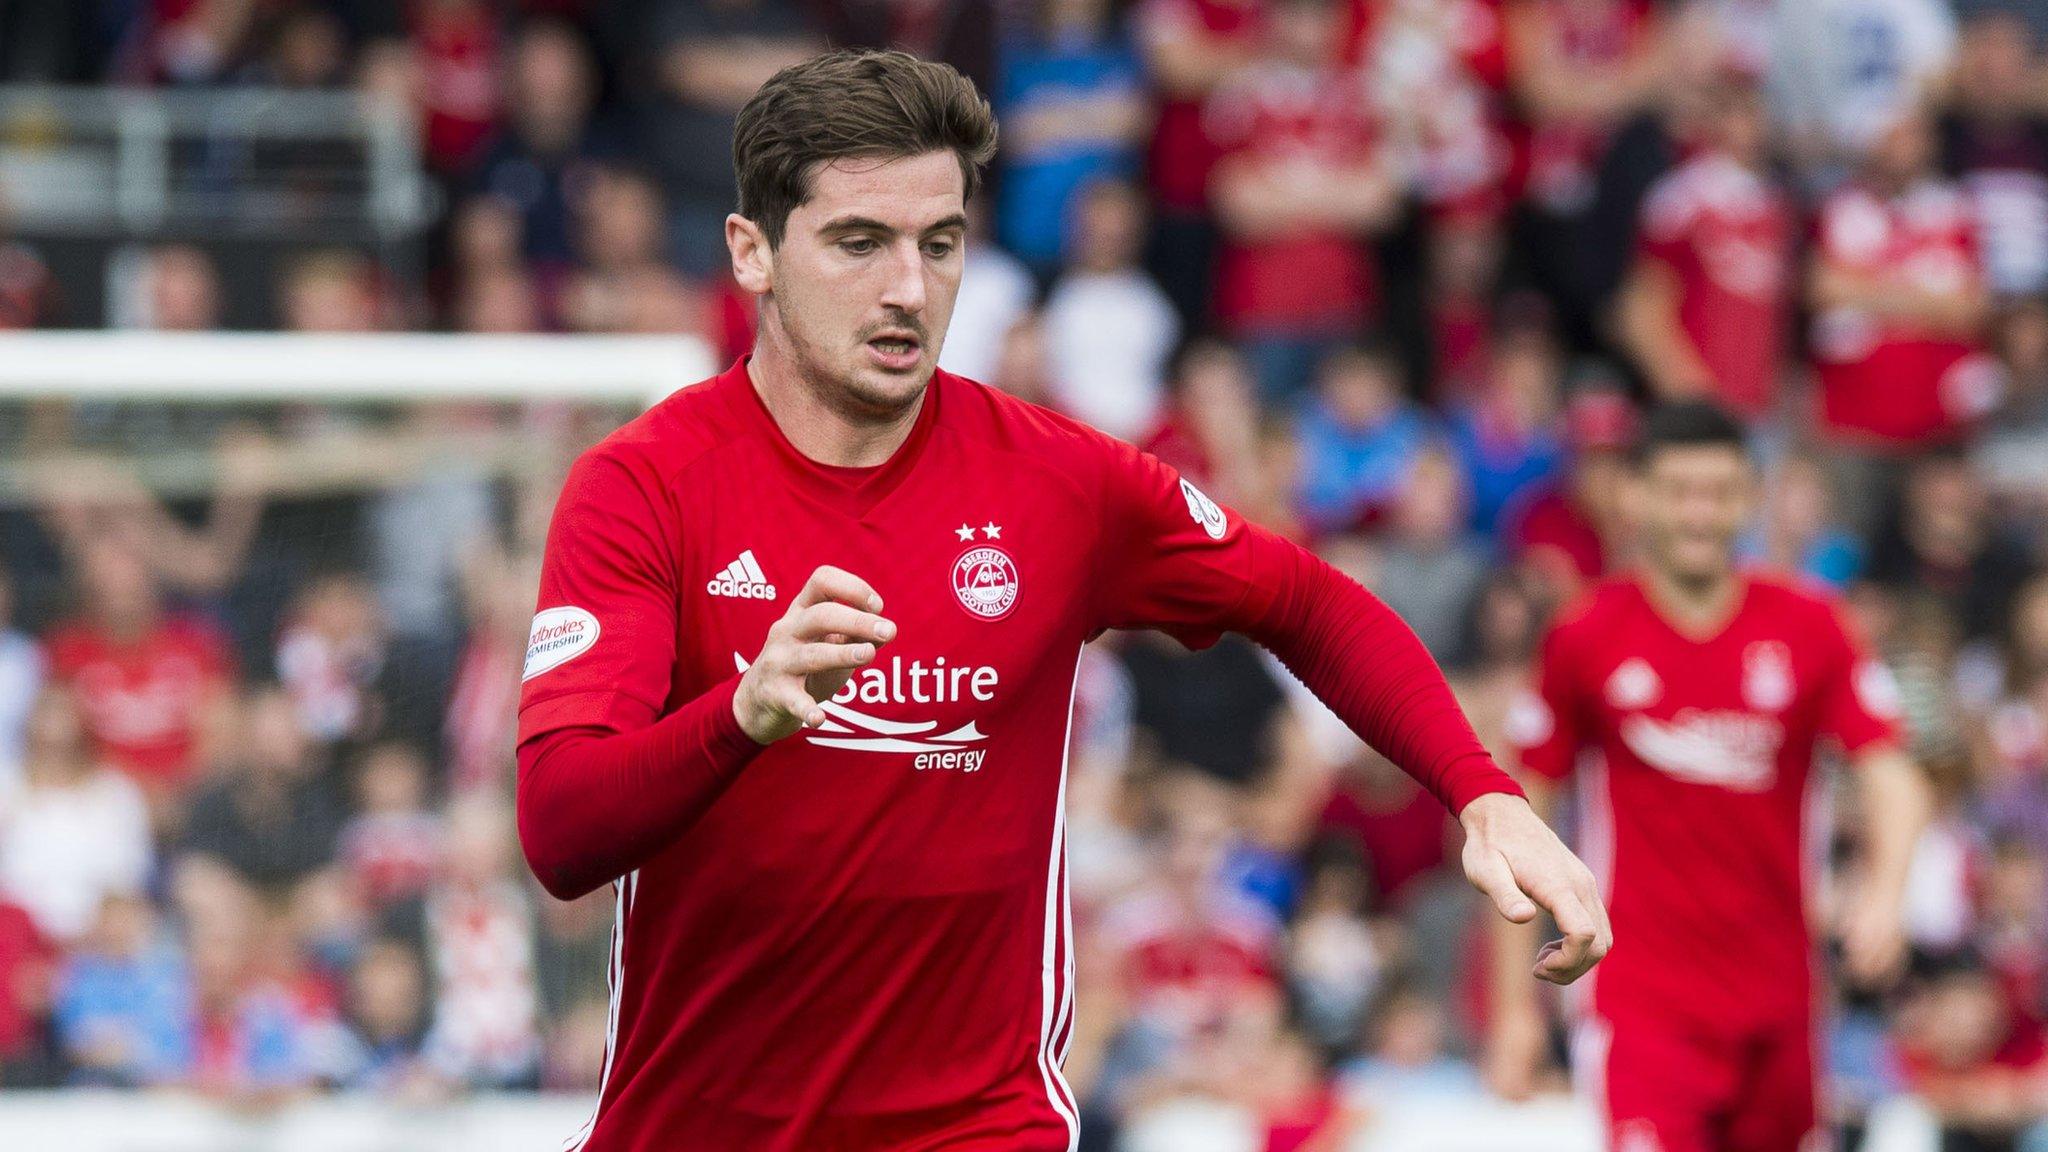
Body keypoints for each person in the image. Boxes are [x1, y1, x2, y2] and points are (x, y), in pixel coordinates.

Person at [516, 50, 1606, 1151]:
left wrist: (1481, 795)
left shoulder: (1055, 482)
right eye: (858, 242)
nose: (907, 287)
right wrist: (739, 716)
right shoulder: (641, 486)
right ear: (751, 251)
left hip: (976, 1127)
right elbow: (560, 829)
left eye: (939, 246)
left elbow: (1307, 602)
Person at [1485, 401, 1936, 1152]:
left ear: (1750, 499)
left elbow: (1896, 778)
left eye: (1719, 491)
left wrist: (1886, 894)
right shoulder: (1585, 635)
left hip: (1781, 1005)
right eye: (1679, 490)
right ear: (1638, 496)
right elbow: (1518, 818)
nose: (1699, 513)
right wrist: (1511, 1011)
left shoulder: (1810, 626)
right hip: (1641, 1006)